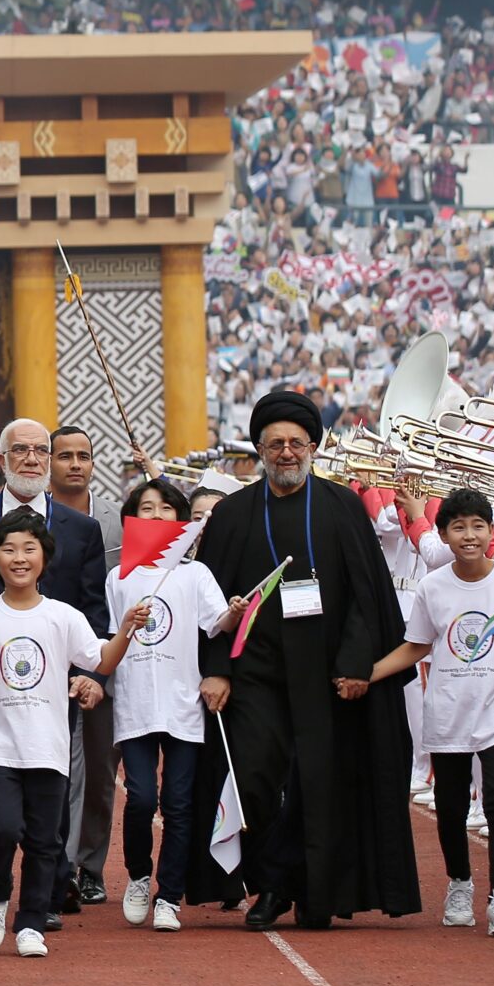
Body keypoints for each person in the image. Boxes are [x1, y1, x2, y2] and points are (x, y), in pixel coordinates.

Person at [187, 388, 418, 930]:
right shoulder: (234, 514)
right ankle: (271, 883)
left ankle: (311, 890)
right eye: (275, 444)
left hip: (328, 674)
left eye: (296, 443)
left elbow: (367, 596)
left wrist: (358, 665)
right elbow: (211, 599)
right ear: (259, 450)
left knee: (322, 782)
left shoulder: (340, 506)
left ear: (312, 446)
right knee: (257, 779)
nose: (287, 452)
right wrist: (216, 667)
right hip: (255, 678)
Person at [0, 417, 109, 927]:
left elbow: (94, 614)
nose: (32, 459)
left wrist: (95, 676)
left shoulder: (83, 530)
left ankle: (47, 893)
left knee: (50, 794)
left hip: (51, 687)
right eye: (21, 450)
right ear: (1, 460)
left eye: (41, 450)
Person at [365, 488, 494, 939]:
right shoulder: (432, 586)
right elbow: (417, 645)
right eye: (458, 527)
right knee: (451, 806)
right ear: (443, 535)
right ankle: (460, 882)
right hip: (448, 711)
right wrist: (368, 674)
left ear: (491, 531)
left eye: (478, 526)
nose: (469, 535)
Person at [104, 479, 233, 932]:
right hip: (135, 704)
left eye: (165, 508)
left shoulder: (194, 574)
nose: (156, 514)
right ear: (131, 518)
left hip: (182, 705)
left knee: (179, 803)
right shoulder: (118, 576)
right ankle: (139, 874)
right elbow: (108, 638)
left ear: (180, 519)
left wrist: (237, 610)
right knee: (140, 798)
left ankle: (169, 895)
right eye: (146, 507)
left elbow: (218, 624)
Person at [47, 425, 120, 908]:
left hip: (101, 662)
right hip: (35, 659)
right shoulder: (28, 518)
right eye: (65, 455)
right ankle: (50, 864)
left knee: (97, 769)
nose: (75, 463)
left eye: (84, 456)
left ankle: (88, 866)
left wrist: (96, 670)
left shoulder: (119, 523)